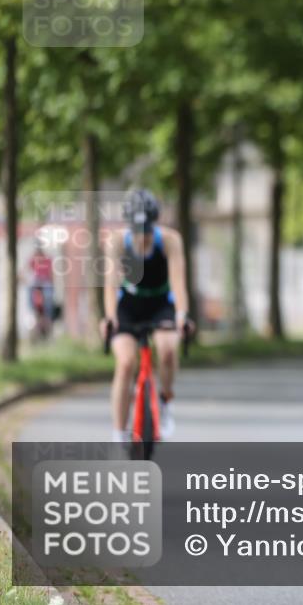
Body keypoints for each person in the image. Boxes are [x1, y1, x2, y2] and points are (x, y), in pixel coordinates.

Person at [100, 190, 193, 443]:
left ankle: (164, 400)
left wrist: (182, 315)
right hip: (129, 305)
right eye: (137, 229)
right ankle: (119, 432)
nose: (143, 236)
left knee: (167, 349)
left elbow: (178, 284)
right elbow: (110, 285)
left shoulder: (170, 240)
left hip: (161, 303)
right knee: (126, 362)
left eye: (147, 229)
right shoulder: (117, 242)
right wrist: (109, 317)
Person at [28, 246, 55, 339]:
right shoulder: (33, 260)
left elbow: (51, 274)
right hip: (37, 282)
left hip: (45, 282)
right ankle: (32, 310)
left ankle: (48, 313)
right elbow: (27, 270)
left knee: (48, 291)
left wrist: (52, 283)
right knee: (31, 288)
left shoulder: (48, 260)